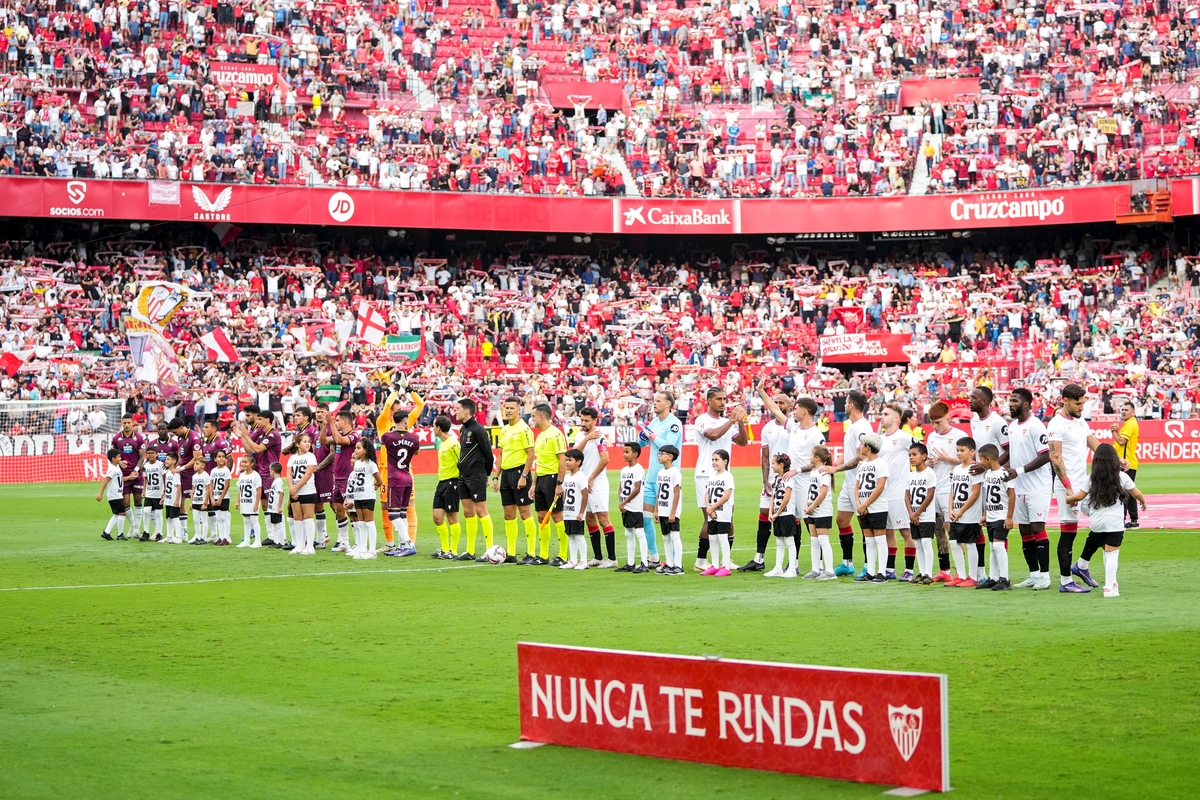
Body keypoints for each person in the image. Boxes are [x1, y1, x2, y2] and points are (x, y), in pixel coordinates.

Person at [1067, 443, 1147, 598]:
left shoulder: (1090, 478)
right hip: (1114, 523)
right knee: (1112, 555)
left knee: (1106, 551)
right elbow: (1136, 493)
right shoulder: (1121, 476)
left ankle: (1113, 583)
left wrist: (1067, 498)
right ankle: (1109, 587)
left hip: (1096, 523)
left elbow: (1079, 497)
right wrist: (1143, 502)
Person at [1049, 383, 1108, 593]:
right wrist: (1067, 489)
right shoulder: (1057, 424)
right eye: (1077, 403)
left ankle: (1081, 566)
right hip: (1069, 486)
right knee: (1068, 533)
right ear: (1065, 400)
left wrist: (1114, 458)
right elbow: (1055, 458)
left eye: (1083, 403)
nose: (1082, 407)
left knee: (1104, 522)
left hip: (1084, 484)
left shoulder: (1080, 420)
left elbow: (1094, 443)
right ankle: (1065, 581)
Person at [692, 388, 748, 572]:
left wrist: (739, 422)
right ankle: (701, 560)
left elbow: (742, 442)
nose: (723, 402)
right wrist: (732, 419)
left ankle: (726, 559)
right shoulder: (702, 420)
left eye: (724, 399)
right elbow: (713, 435)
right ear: (709, 400)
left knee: (728, 518)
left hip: (724, 476)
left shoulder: (727, 422)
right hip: (706, 474)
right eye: (718, 399)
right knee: (710, 518)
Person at [1004, 388, 1053, 589]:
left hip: (1037, 487)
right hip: (1019, 486)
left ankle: (1045, 576)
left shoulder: (1036, 426)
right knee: (1024, 530)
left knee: (1037, 528)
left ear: (1025, 404)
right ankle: (1033, 574)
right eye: (1010, 400)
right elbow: (1014, 456)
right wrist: (1004, 470)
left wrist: (1019, 470)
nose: (1010, 404)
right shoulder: (1012, 426)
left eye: (1014, 400)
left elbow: (1045, 455)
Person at [742, 383, 793, 571]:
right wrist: (765, 481)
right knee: (764, 514)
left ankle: (792, 562)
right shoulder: (767, 428)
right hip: (772, 480)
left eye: (782, 403)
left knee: (791, 517)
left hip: (789, 479)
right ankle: (759, 558)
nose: (778, 405)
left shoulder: (793, 425)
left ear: (790, 406)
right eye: (776, 402)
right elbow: (765, 457)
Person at [821, 390, 872, 576]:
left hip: (861, 482)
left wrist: (836, 469)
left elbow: (862, 456)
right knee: (842, 520)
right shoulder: (851, 425)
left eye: (846, 402)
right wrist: (835, 464)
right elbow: (850, 452)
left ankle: (869, 566)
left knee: (865, 525)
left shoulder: (863, 427)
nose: (844, 405)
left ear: (851, 405)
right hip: (849, 481)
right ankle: (847, 563)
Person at [968, 386, 1009, 581]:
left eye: (974, 397)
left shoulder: (998, 423)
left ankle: (1002, 575)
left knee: (998, 527)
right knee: (985, 523)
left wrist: (991, 470)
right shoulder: (974, 420)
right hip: (981, 477)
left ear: (984, 401)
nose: (970, 399)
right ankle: (987, 574)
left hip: (996, 478)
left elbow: (1008, 452)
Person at [378, 384, 426, 550]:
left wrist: (409, 389)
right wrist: (396, 390)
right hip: (385, 469)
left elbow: (420, 405)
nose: (396, 411)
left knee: (408, 505)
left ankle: (408, 542)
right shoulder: (382, 423)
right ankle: (390, 543)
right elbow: (385, 407)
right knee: (385, 505)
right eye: (395, 408)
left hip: (401, 470)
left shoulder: (404, 424)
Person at [639, 391, 683, 566]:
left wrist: (650, 435)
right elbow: (643, 444)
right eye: (654, 400)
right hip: (651, 477)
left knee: (668, 520)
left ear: (667, 404)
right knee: (645, 517)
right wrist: (642, 437)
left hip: (667, 479)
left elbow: (668, 446)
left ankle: (671, 560)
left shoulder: (674, 424)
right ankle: (654, 555)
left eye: (658, 401)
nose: (654, 403)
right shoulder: (654, 422)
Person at [494, 396, 537, 562]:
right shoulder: (504, 429)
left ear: (519, 410)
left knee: (525, 513)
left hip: (520, 473)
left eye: (512, 408)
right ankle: (511, 554)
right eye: (507, 407)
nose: (509, 410)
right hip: (506, 475)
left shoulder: (524, 429)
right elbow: (502, 454)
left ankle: (531, 553)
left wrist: (524, 476)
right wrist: (496, 476)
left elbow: (531, 454)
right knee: (508, 514)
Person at [232, 406, 281, 545]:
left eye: (259, 418)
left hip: (269, 473)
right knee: (265, 505)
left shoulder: (272, 434)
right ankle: (271, 536)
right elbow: (249, 449)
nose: (257, 421)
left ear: (267, 419)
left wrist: (245, 436)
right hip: (261, 471)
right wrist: (242, 436)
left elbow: (258, 448)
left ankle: (278, 537)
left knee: (272, 505)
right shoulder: (262, 433)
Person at [454, 397, 495, 560]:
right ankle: (470, 551)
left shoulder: (478, 430)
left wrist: (485, 475)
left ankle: (490, 550)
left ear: (466, 411)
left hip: (476, 475)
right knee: (468, 512)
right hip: (463, 476)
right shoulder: (463, 429)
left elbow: (488, 455)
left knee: (480, 510)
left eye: (458, 408)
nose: (455, 411)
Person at [923, 401, 960, 583]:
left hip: (950, 488)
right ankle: (945, 569)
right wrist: (929, 462)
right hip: (935, 486)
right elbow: (929, 460)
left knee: (951, 528)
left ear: (948, 418)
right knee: (937, 529)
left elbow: (969, 462)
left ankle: (962, 571)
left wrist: (947, 459)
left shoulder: (959, 435)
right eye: (932, 422)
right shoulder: (931, 437)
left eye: (938, 422)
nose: (935, 426)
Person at [576, 406, 616, 568]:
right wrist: (586, 438)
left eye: (586, 420)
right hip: (584, 483)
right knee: (590, 520)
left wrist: (592, 477)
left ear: (594, 421)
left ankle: (612, 559)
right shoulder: (580, 436)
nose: (583, 423)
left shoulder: (599, 437)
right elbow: (574, 454)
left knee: (603, 519)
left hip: (596, 483)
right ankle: (598, 557)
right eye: (582, 420)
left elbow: (605, 459)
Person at [879, 403, 915, 581]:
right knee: (887, 531)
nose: (881, 416)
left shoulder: (904, 437)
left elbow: (921, 453)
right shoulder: (879, 439)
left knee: (905, 532)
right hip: (882, 494)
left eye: (885, 414)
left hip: (899, 493)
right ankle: (889, 568)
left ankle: (909, 570)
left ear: (896, 418)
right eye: (881, 413)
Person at [531, 403, 569, 565]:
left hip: (553, 478)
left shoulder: (556, 434)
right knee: (541, 516)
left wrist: (559, 483)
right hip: (541, 478)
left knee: (557, 515)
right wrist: (534, 484)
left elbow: (562, 460)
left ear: (541, 416)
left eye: (533, 416)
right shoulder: (539, 435)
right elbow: (539, 462)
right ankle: (544, 556)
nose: (531, 419)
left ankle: (563, 555)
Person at [947, 437, 983, 587]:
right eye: (957, 450)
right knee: (953, 542)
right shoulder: (956, 469)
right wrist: (950, 508)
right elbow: (952, 491)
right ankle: (960, 575)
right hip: (956, 512)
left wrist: (961, 510)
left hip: (969, 513)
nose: (959, 453)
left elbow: (975, 493)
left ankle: (973, 576)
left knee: (969, 543)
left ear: (972, 452)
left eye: (962, 450)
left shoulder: (975, 469)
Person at [853, 433, 889, 582]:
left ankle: (882, 573)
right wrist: (859, 505)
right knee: (869, 540)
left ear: (867, 447)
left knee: (880, 539)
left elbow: (879, 488)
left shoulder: (881, 463)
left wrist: (865, 504)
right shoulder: (863, 465)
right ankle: (871, 572)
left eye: (862, 445)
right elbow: (857, 487)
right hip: (863, 507)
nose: (860, 447)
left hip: (877, 507)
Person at [978, 443, 1014, 590]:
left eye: (980, 459)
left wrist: (1009, 517)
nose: (980, 462)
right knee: (993, 547)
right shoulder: (988, 474)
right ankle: (993, 578)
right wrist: (985, 514)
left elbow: (1012, 496)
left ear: (988, 459)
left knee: (999, 545)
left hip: (1001, 515)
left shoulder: (1005, 474)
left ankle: (1004, 579)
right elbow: (987, 496)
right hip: (991, 515)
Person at [325, 410, 361, 553]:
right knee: (339, 510)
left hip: (348, 478)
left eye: (338, 420)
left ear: (346, 421)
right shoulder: (338, 435)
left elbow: (340, 440)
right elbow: (323, 441)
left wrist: (331, 424)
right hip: (338, 478)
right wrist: (324, 426)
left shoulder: (353, 436)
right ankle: (344, 542)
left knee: (352, 512)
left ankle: (359, 543)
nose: (336, 422)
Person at [802, 444, 836, 579]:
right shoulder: (813, 472)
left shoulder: (824, 472)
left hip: (822, 510)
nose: (809, 457)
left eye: (811, 454)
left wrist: (812, 507)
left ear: (817, 458)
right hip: (812, 510)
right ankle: (816, 568)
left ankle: (830, 571)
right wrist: (807, 504)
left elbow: (822, 494)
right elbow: (811, 491)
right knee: (814, 540)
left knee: (823, 540)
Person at [431, 415, 462, 559]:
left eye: (434, 426)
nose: (432, 428)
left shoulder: (453, 443)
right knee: (437, 517)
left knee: (452, 518)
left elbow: (461, 463)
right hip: (441, 482)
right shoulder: (442, 443)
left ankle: (453, 551)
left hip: (452, 483)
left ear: (439, 428)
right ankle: (444, 549)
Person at [906, 443, 937, 585]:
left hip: (926, 515)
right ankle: (922, 572)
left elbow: (929, 496)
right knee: (917, 543)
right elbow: (907, 496)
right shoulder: (910, 475)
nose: (911, 457)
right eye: (910, 455)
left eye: (914, 455)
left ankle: (928, 574)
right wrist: (912, 514)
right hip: (914, 516)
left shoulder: (930, 473)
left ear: (924, 456)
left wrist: (917, 513)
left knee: (926, 542)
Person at [701, 449, 736, 576]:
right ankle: (715, 565)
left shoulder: (728, 476)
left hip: (723, 513)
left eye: (717, 460)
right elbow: (707, 493)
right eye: (712, 460)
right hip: (712, 513)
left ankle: (725, 566)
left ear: (725, 461)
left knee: (722, 537)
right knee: (712, 538)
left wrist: (712, 507)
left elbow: (726, 495)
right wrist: (708, 508)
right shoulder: (712, 476)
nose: (714, 462)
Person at [169, 417, 203, 544]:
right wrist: (177, 465)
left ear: (181, 427)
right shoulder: (180, 437)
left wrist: (182, 467)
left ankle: (199, 534)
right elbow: (180, 455)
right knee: (181, 501)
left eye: (175, 431)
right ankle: (183, 533)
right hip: (182, 472)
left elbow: (197, 458)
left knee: (194, 502)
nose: (174, 434)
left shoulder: (194, 437)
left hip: (191, 473)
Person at [112, 414, 146, 541]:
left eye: (128, 422)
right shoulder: (116, 439)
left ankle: (136, 529)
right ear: (121, 423)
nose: (126, 425)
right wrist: (119, 462)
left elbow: (142, 456)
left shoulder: (138, 438)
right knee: (126, 503)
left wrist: (136, 470)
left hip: (136, 474)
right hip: (123, 475)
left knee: (138, 500)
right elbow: (111, 456)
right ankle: (134, 526)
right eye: (124, 422)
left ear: (133, 423)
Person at [616, 442, 648, 573]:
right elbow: (621, 488)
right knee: (628, 533)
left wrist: (625, 502)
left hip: (635, 507)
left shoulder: (638, 469)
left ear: (635, 454)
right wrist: (621, 501)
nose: (624, 454)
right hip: (626, 506)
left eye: (627, 452)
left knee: (639, 533)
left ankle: (644, 563)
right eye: (623, 451)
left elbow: (637, 489)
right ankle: (630, 562)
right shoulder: (624, 470)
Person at [348, 440, 383, 559]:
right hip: (358, 496)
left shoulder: (370, 464)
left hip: (368, 496)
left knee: (369, 522)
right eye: (356, 448)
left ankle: (372, 551)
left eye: (358, 448)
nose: (356, 450)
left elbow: (380, 480)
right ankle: (362, 549)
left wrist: (373, 488)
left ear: (366, 450)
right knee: (361, 523)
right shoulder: (357, 463)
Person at [285, 432, 319, 555]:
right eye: (304, 441)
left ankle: (310, 546)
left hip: (307, 490)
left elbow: (308, 474)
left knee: (308, 517)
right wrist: (291, 488)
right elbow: (288, 474)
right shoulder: (292, 458)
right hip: (295, 491)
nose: (307, 444)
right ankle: (299, 545)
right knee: (297, 518)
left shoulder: (311, 457)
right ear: (298, 444)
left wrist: (295, 488)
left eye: (308, 441)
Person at [766, 453, 797, 577]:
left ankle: (792, 569)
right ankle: (778, 567)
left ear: (781, 465)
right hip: (777, 514)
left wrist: (777, 512)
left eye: (773, 463)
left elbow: (787, 497)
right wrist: (771, 512)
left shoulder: (788, 479)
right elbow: (773, 496)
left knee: (790, 541)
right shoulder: (776, 479)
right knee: (779, 541)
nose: (771, 466)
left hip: (787, 513)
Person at [559, 449, 591, 570]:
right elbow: (564, 495)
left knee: (578, 536)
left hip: (577, 512)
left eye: (570, 460)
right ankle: (573, 560)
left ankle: (583, 561)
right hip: (568, 511)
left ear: (578, 462)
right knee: (570, 536)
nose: (567, 462)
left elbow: (585, 495)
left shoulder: (581, 477)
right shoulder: (567, 477)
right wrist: (563, 509)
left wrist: (582, 512)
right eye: (566, 460)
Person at [654, 444, 683, 575]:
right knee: (665, 537)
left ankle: (678, 565)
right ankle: (669, 564)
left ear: (670, 457)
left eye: (662, 454)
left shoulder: (675, 472)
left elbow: (676, 493)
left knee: (675, 536)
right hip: (662, 509)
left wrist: (673, 512)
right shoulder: (660, 472)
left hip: (672, 510)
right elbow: (659, 492)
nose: (659, 456)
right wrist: (656, 510)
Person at [1111, 402, 1141, 528]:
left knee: (1122, 491)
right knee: (1130, 491)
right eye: (1122, 409)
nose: (1123, 412)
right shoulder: (1130, 423)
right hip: (1129, 462)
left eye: (1126, 410)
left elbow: (1122, 441)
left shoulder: (1130, 423)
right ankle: (1134, 520)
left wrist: (1114, 431)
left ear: (1133, 412)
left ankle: (1120, 521)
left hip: (1125, 463)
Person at [98, 448, 128, 541]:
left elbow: (119, 480)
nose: (120, 458)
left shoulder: (117, 467)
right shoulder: (112, 469)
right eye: (119, 457)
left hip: (117, 494)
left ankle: (106, 532)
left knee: (117, 514)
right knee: (122, 513)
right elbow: (105, 481)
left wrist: (130, 477)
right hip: (114, 495)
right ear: (113, 459)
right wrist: (100, 494)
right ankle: (120, 535)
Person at [237, 454, 263, 548]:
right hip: (244, 502)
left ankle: (257, 541)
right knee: (246, 521)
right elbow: (240, 489)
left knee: (254, 520)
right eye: (242, 462)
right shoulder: (242, 475)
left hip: (252, 501)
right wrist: (238, 501)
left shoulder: (256, 475)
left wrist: (256, 503)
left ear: (252, 463)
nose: (243, 464)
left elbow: (259, 490)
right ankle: (246, 540)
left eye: (245, 462)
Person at [208, 450, 233, 546]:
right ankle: (221, 537)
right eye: (219, 456)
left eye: (223, 456)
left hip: (224, 497)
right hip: (215, 496)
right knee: (218, 517)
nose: (221, 458)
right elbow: (210, 485)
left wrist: (220, 498)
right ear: (215, 459)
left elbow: (227, 485)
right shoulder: (213, 471)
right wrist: (212, 498)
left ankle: (226, 537)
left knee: (224, 517)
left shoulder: (226, 470)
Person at [141, 445, 165, 542]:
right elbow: (145, 479)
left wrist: (164, 490)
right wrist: (144, 490)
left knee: (158, 514)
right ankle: (146, 532)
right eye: (149, 453)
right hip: (149, 493)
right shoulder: (145, 466)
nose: (150, 455)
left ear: (157, 454)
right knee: (146, 512)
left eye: (152, 453)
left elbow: (164, 477)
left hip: (158, 493)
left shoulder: (160, 465)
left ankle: (159, 533)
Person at [189, 456, 211, 545]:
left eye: (197, 464)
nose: (194, 465)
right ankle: (197, 536)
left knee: (204, 519)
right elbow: (193, 490)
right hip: (195, 501)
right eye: (194, 464)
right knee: (195, 519)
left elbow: (208, 489)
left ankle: (204, 537)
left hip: (202, 501)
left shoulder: (206, 476)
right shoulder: (194, 476)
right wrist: (191, 502)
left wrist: (205, 502)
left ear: (203, 465)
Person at [162, 453, 183, 544]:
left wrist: (177, 500)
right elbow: (167, 486)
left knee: (175, 517)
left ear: (174, 461)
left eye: (168, 459)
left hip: (174, 499)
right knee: (168, 517)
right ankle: (169, 535)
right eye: (166, 459)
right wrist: (164, 496)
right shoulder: (167, 473)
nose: (166, 461)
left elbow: (179, 487)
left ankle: (179, 537)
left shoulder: (176, 473)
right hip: (168, 498)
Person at [265, 463, 286, 549]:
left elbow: (281, 493)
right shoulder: (276, 481)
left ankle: (281, 541)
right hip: (272, 507)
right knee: (274, 524)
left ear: (272, 471)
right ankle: (276, 541)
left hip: (276, 507)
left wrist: (279, 506)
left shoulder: (278, 481)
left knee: (278, 524)